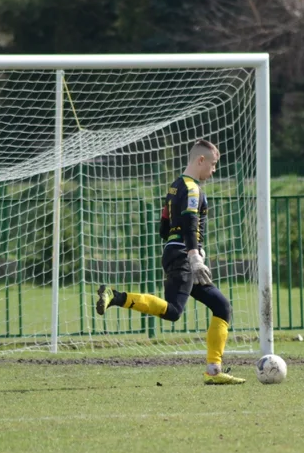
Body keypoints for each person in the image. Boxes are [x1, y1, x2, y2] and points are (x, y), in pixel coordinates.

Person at [96, 139, 245, 384]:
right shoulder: (192, 188)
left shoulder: (175, 186)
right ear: (201, 160)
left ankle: (214, 371)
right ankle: (115, 295)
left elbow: (164, 228)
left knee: (222, 307)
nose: (214, 170)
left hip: (175, 252)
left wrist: (190, 248)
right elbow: (189, 223)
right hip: (184, 255)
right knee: (174, 311)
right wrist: (194, 255)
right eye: (213, 164)